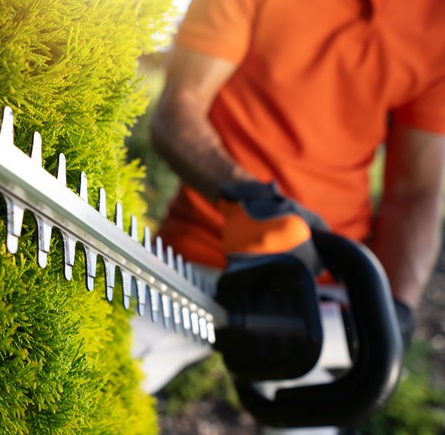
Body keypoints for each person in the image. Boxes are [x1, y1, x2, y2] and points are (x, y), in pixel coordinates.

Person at [151, 0, 445, 348]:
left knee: (339, 397)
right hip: (198, 259)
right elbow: (177, 109)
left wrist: (397, 306)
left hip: (331, 281)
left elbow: (414, 191)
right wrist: (249, 197)